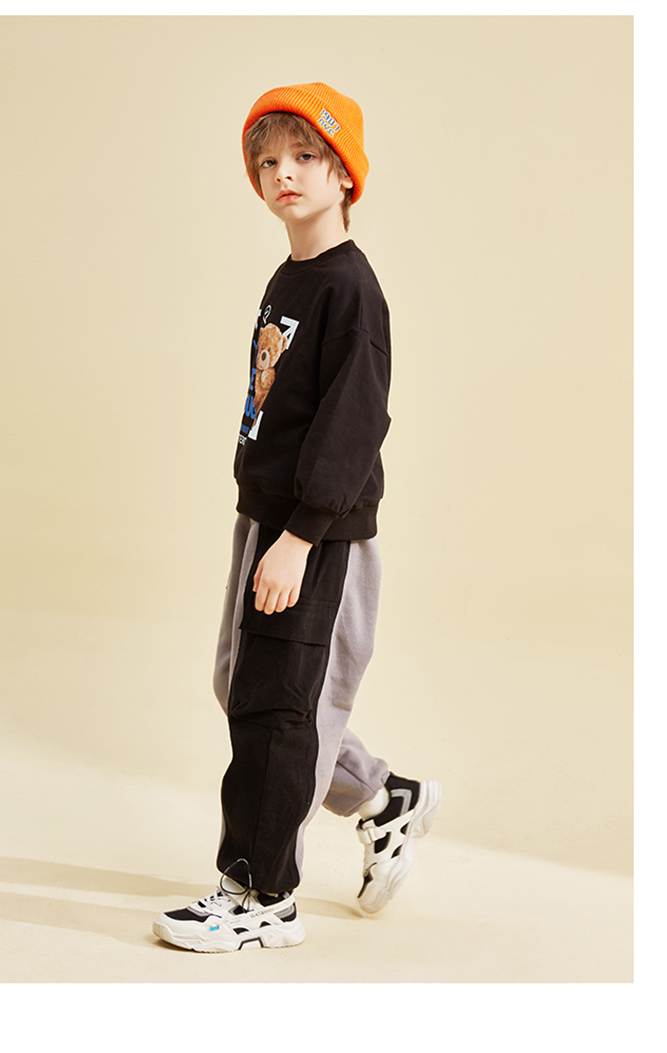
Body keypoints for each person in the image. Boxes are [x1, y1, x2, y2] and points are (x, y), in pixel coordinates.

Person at [153, 82, 441, 953]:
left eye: (306, 156)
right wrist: (264, 521)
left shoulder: (352, 290)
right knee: (246, 687)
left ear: (344, 172)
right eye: (269, 160)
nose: (285, 173)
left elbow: (354, 422)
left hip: (313, 534)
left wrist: (299, 537)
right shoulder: (293, 276)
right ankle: (384, 796)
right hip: (269, 519)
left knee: (280, 711)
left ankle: (260, 893)